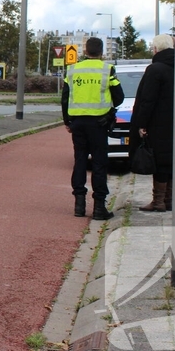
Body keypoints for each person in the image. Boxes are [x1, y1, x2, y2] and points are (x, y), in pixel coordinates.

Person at [61, 37, 124, 220]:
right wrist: (109, 109)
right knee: (99, 163)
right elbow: (119, 97)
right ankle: (99, 207)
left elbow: (65, 98)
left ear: (85, 51)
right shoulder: (107, 69)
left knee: (80, 160)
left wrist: (67, 121)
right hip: (99, 123)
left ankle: (79, 205)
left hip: (78, 123)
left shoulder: (72, 70)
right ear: (101, 52)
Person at [130, 34, 175, 212]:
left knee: (159, 161)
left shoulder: (155, 70)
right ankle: (169, 199)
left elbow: (147, 99)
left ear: (156, 49)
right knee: (171, 160)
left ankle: (158, 201)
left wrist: (141, 124)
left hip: (157, 123)